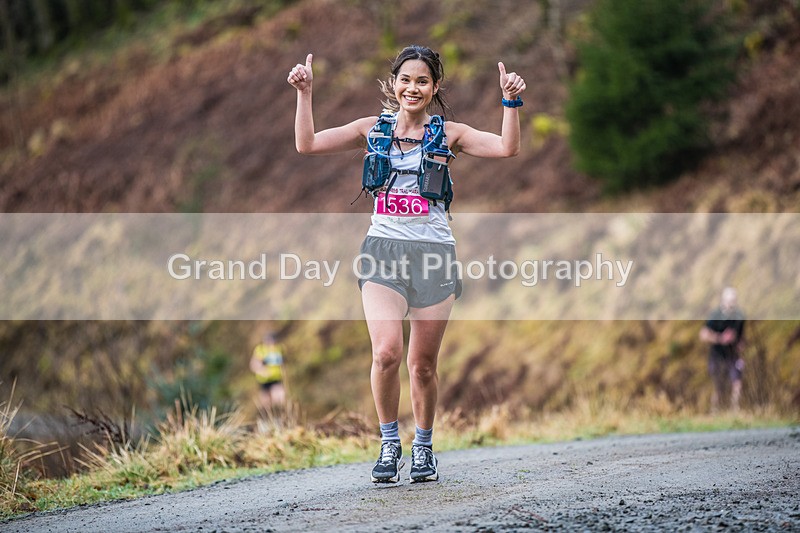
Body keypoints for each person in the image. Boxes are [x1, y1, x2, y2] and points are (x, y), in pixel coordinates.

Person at [287, 45, 525, 483]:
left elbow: (507, 148)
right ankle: (389, 442)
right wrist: (306, 92)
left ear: (434, 88)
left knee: (423, 365)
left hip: (435, 256)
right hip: (382, 251)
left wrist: (509, 100)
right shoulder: (370, 129)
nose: (412, 88)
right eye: (405, 79)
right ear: (393, 84)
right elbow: (307, 144)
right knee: (386, 353)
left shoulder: (450, 133)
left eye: (422, 81)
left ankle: (424, 447)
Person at [699, 287, 746, 412]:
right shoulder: (715, 315)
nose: (731, 305)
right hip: (717, 354)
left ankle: (735, 410)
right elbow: (703, 334)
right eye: (729, 302)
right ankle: (715, 411)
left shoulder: (739, 316)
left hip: (732, 354)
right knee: (718, 386)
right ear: (723, 301)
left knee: (737, 383)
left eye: (733, 301)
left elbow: (740, 337)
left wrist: (740, 346)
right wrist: (720, 338)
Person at [249, 333, 287, 412]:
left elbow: (283, 361)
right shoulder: (260, 350)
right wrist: (261, 370)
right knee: (266, 401)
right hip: (264, 380)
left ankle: (279, 416)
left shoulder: (279, 348)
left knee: (280, 397)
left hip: (277, 378)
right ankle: (266, 418)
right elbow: (254, 364)